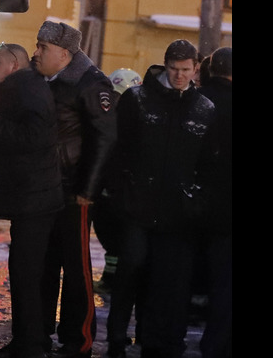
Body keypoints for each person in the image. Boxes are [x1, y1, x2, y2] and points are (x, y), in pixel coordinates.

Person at [110, 39, 216, 358]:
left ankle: (146, 335)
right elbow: (119, 148)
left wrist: (194, 199)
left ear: (196, 69)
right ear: (166, 66)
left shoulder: (203, 108)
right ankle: (118, 335)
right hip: (139, 201)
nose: (179, 76)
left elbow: (206, 162)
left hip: (174, 207)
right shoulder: (139, 99)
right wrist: (120, 192)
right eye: (174, 69)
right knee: (131, 268)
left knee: (158, 275)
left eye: (185, 70)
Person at [31, 21, 117, 358]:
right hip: (47, 188)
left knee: (77, 267)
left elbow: (106, 139)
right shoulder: (44, 79)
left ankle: (77, 340)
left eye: (43, 47)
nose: (36, 52)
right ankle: (38, 334)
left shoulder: (91, 84)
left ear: (64, 54)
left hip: (74, 192)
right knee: (44, 264)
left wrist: (88, 189)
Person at [0, 43, 63, 358]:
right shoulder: (23, 86)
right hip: (32, 196)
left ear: (13, 66)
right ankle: (31, 341)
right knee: (25, 271)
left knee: (25, 272)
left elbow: (35, 137)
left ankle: (29, 345)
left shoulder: (28, 89)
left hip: (35, 198)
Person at [94, 68, 142, 294]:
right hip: (110, 190)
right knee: (112, 238)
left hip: (119, 191)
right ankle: (112, 278)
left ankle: (115, 281)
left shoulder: (125, 122)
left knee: (118, 240)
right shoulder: (109, 119)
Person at [196, 47, 231, 358]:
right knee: (224, 283)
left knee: (178, 279)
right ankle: (215, 343)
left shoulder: (194, 100)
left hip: (188, 205)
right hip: (225, 211)